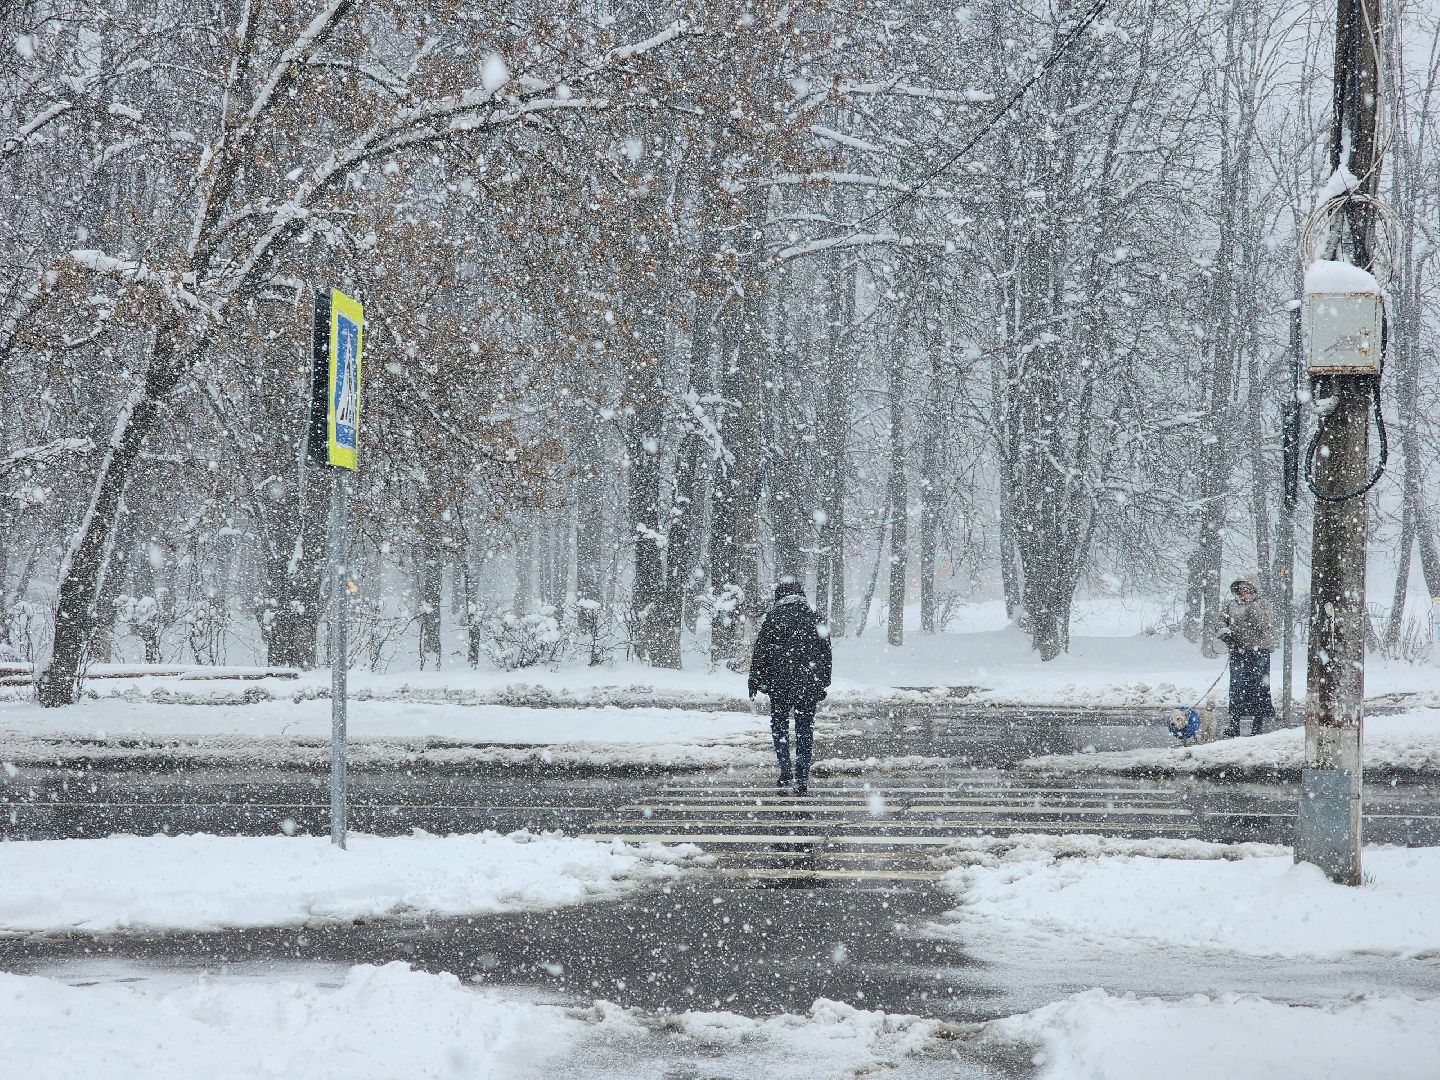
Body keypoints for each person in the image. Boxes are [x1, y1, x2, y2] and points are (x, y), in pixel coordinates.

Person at [748, 577, 832, 795]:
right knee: (805, 730)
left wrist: (755, 679)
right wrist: (823, 680)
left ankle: (785, 768)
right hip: (808, 683)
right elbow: (826, 652)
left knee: (779, 725)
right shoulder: (814, 617)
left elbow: (761, 651)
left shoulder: (773, 617)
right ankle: (802, 777)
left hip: (780, 684)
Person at [1218, 575, 1277, 737]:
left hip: (1259, 652)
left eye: (1247, 589)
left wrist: (1252, 605)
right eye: (1241, 589)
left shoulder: (1263, 604)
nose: (1243, 592)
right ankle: (1234, 723)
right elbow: (1221, 623)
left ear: (1253, 590)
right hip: (1238, 652)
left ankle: (1257, 724)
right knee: (1237, 687)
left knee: (1259, 687)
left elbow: (1263, 625)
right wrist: (1225, 634)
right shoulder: (1230, 605)